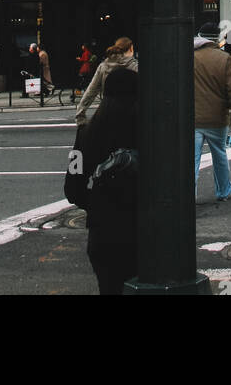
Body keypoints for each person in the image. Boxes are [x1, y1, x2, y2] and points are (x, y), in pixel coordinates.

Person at [81, 67, 139, 295]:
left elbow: (73, 186)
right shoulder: (147, 130)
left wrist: (96, 201)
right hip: (139, 229)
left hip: (102, 228)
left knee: (108, 287)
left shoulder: (88, 132)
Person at [194, 27, 231, 202]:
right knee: (219, 154)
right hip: (217, 117)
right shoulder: (224, 59)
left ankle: (189, 193)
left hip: (192, 118)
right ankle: (223, 190)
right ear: (216, 39)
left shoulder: (187, 57)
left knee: (192, 159)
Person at [75, 37, 137, 126]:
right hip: (130, 114)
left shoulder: (104, 66)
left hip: (107, 113)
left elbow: (91, 91)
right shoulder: (134, 66)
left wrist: (80, 115)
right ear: (131, 49)